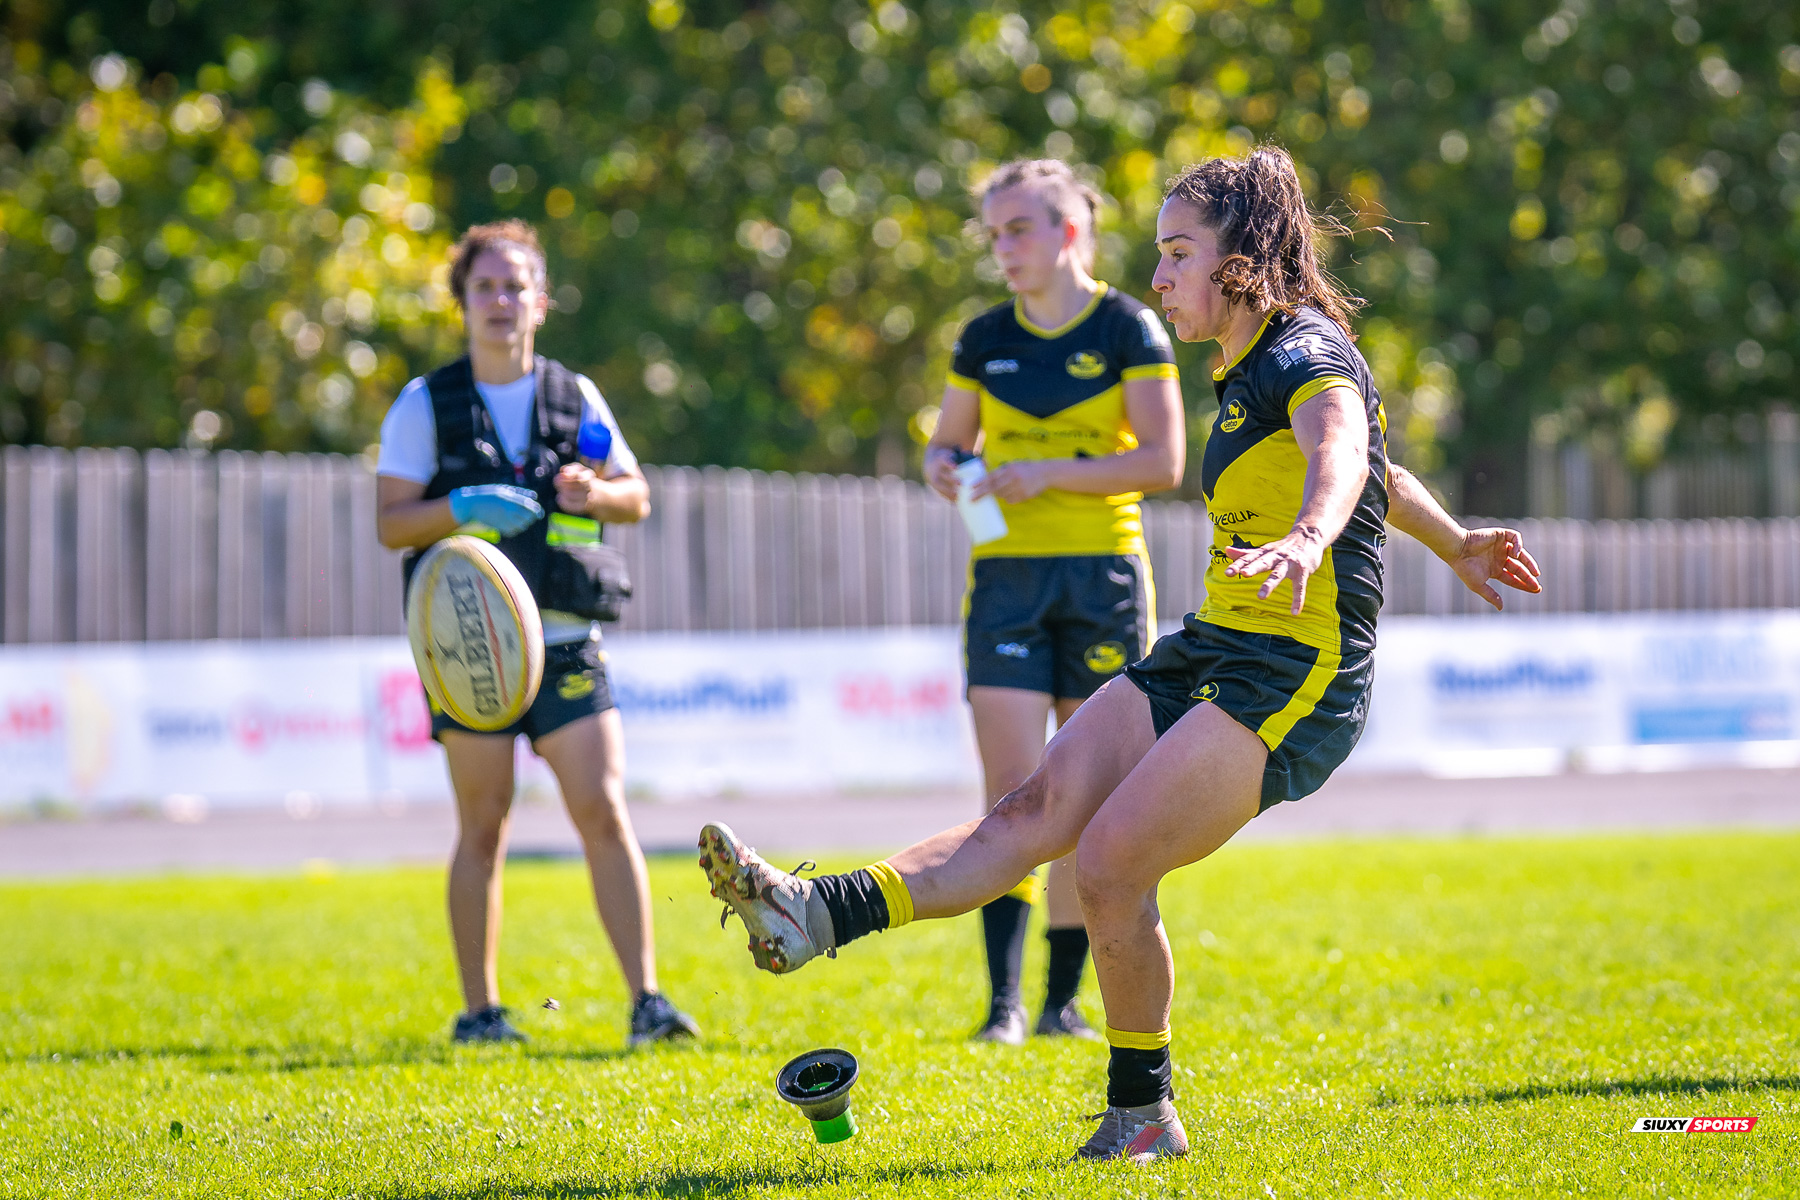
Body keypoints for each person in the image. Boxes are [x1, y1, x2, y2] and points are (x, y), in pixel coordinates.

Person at [699, 148, 1541, 1159]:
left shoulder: (1304, 350)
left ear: (1244, 256)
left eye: (1179, 253)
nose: (1159, 276)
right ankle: (813, 910)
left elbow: (1345, 453)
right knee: (1033, 809)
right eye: (1158, 254)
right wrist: (1454, 542)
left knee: (1106, 865)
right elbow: (1386, 474)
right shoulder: (1243, 362)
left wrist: (1312, 536)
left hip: (1298, 673)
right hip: (1218, 644)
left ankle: (1143, 1115)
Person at [376, 219, 698, 1048]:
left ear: (540, 302)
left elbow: (638, 496)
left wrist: (596, 492)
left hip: (563, 640)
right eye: (484, 286)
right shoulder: (425, 403)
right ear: (462, 304)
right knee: (484, 825)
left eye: (515, 285)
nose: (500, 300)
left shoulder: (574, 393)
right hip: (472, 653)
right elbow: (389, 523)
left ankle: (649, 1004)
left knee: (603, 808)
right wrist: (463, 509)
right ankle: (480, 1013)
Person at [921, 160, 1184, 1044]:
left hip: (1102, 576)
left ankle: (1061, 1004)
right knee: (1012, 792)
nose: (1003, 248)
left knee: (1082, 796)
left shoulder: (1128, 327)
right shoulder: (982, 336)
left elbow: (1162, 462)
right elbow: (945, 447)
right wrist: (947, 467)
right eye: (994, 233)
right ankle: (1000, 1006)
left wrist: (1048, 473)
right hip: (1006, 582)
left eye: (1018, 229)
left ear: (1069, 231)